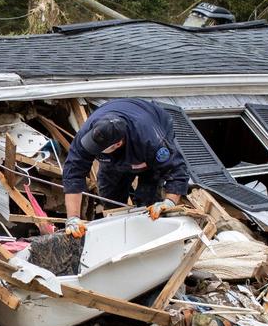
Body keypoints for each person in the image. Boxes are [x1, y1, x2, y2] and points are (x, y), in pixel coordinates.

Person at [62, 98, 190, 238]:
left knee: (148, 200)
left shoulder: (153, 141)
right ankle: (119, 237)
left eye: (99, 149)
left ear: (117, 144)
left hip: (149, 136)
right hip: (116, 150)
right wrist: (72, 218)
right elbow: (73, 172)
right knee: (110, 194)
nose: (94, 150)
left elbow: (177, 170)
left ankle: (147, 237)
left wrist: (170, 202)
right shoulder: (89, 134)